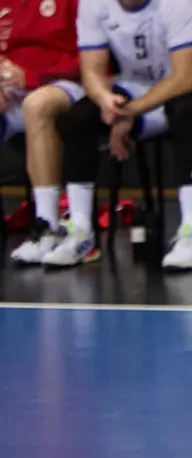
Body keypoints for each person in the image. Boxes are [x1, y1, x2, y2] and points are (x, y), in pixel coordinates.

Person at [41, 0, 192, 270]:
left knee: (184, 111)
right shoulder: (94, 4)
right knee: (80, 117)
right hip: (139, 87)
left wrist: (130, 112)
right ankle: (81, 232)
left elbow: (184, 78)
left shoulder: (178, 4)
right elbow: (92, 71)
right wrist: (106, 100)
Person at [0, 0, 86, 266]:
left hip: (68, 84)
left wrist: (33, 77)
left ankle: (48, 225)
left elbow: (92, 60)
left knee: (36, 105)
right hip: (12, 89)